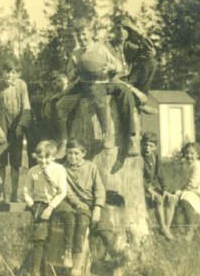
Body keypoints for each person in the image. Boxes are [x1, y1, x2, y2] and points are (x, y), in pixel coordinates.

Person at [55, 22, 140, 158]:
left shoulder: (101, 48)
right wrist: (77, 70)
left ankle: (124, 137)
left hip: (104, 82)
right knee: (60, 106)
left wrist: (112, 68)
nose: (81, 38)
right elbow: (69, 75)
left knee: (123, 93)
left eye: (84, 34)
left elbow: (118, 66)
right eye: (78, 35)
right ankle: (64, 141)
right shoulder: (76, 54)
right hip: (84, 84)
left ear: (91, 34)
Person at [63, 139, 125, 276]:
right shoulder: (63, 169)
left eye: (76, 153)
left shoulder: (91, 167)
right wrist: (77, 203)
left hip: (95, 203)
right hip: (79, 205)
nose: (73, 157)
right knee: (81, 231)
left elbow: (99, 189)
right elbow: (67, 191)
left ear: (83, 154)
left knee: (106, 233)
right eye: (70, 153)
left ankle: (117, 265)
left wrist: (97, 208)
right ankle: (77, 268)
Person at [23, 140, 73, 276]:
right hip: (39, 203)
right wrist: (32, 205)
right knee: (40, 236)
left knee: (69, 215)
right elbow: (26, 190)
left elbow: (62, 191)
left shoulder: (59, 169)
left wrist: (51, 207)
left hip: (56, 201)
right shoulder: (33, 171)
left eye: (47, 157)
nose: (43, 161)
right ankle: (35, 273)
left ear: (53, 157)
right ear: (36, 157)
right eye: (40, 157)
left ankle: (68, 251)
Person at [0, 60, 32, 203]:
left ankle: (14, 194)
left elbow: (26, 107)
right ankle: (1, 195)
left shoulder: (22, 85)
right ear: (2, 72)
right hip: (2, 124)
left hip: (16, 125)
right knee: (1, 162)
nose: (9, 75)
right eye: (7, 71)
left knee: (15, 162)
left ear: (18, 73)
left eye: (13, 72)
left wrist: (20, 127)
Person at [168, 142, 200, 241]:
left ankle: (190, 230)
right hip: (190, 188)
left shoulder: (198, 165)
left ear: (197, 155)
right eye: (187, 153)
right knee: (179, 197)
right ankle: (178, 229)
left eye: (192, 153)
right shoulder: (184, 164)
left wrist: (180, 192)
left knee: (185, 198)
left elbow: (193, 183)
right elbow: (181, 179)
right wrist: (177, 189)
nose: (189, 156)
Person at [141, 132, 175, 240]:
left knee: (171, 199)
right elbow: (138, 178)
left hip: (153, 186)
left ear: (155, 147)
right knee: (159, 199)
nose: (147, 148)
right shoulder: (139, 158)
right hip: (143, 188)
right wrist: (150, 190)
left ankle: (166, 229)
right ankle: (163, 226)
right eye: (145, 145)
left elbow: (160, 173)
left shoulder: (155, 156)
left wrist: (165, 189)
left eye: (151, 146)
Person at [120, 18, 157, 94]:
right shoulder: (128, 44)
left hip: (134, 73)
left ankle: (140, 98)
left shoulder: (134, 43)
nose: (121, 32)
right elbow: (150, 51)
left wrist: (137, 31)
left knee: (151, 62)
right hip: (128, 74)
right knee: (150, 62)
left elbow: (151, 51)